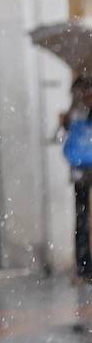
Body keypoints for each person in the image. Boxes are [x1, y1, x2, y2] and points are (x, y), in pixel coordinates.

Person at [60, 76, 92, 280]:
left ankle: (84, 265)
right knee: (82, 218)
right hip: (81, 172)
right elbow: (67, 138)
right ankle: (84, 266)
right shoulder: (74, 113)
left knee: (83, 218)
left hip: (81, 171)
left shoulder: (77, 113)